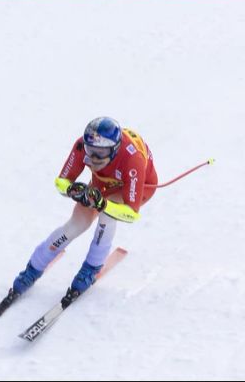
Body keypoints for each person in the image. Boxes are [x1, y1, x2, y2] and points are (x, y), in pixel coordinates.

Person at [10, 116, 157, 298]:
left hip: (137, 188)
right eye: (90, 150)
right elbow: (61, 182)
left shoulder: (132, 160)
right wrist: (72, 189)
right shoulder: (82, 146)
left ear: (114, 149)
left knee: (108, 216)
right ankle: (33, 268)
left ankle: (91, 267)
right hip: (103, 183)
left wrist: (103, 204)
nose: (93, 158)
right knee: (77, 224)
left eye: (100, 153)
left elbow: (131, 214)